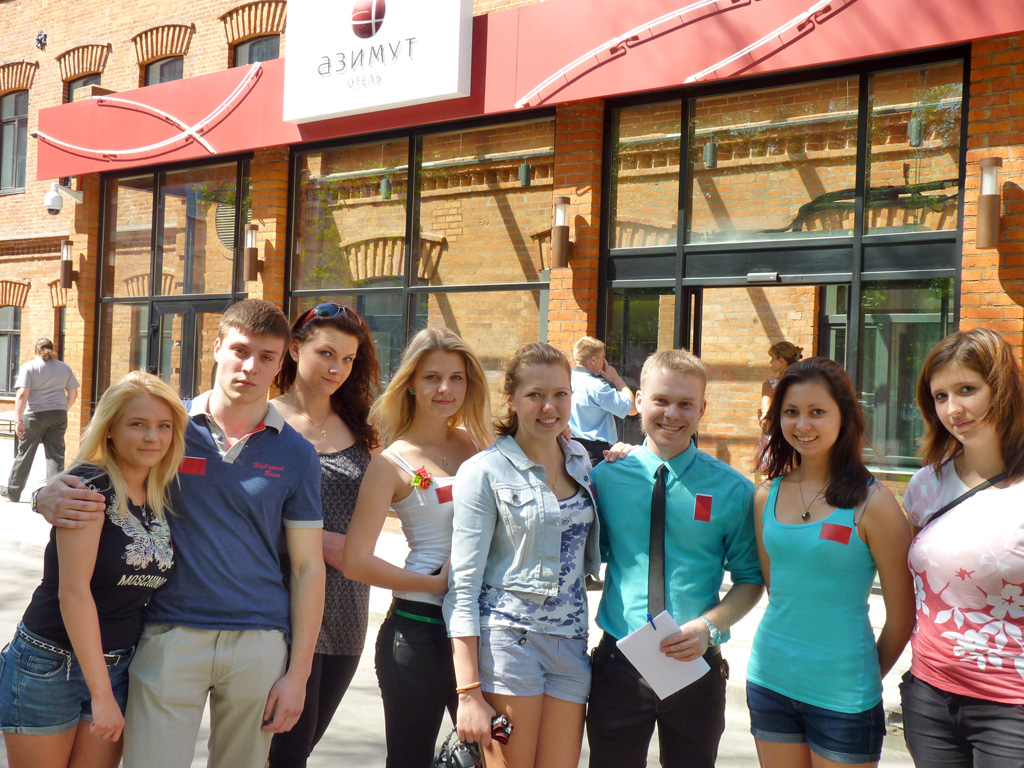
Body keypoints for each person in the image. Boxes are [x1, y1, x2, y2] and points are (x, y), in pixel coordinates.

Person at [34, 299, 327, 768]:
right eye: (240, 350)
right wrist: (45, 494)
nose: (250, 367)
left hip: (258, 640)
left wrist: (299, 674)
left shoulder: (298, 454)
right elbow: (99, 472)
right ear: (217, 347)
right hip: (168, 632)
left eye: (266, 357)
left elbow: (309, 567)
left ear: (281, 363)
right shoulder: (169, 427)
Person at [586, 347, 765, 768]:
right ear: (639, 402)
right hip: (619, 663)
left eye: (686, 404)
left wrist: (709, 627)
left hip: (695, 662)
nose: (672, 414)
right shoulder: (604, 478)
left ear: (702, 409)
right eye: (661, 400)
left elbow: (751, 578)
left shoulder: (733, 490)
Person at [0, 371, 188, 768]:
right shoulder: (87, 489)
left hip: (119, 664)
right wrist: (102, 696)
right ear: (110, 430)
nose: (152, 437)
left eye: (163, 426)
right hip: (50, 663)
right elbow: (74, 593)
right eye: (137, 424)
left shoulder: (160, 492)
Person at [747, 357, 915, 768]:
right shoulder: (766, 495)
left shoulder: (875, 504)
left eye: (817, 411)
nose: (802, 424)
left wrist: (860, 676)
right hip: (769, 681)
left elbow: (902, 617)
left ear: (844, 415)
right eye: (791, 412)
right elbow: (778, 590)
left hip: (844, 695)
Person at [445, 342, 601, 768]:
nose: (549, 407)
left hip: (571, 646)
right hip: (510, 645)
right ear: (512, 398)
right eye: (535, 395)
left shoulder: (581, 461)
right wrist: (468, 692)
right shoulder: (484, 471)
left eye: (560, 394)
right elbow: (463, 586)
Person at [343, 327, 493, 768]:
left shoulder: (480, 446)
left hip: (482, 627)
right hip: (418, 631)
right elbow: (355, 561)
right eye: (432, 377)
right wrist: (432, 582)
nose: (445, 389)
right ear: (410, 383)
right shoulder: (391, 463)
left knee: (493, 756)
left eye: (456, 378)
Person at [899, 328, 1024, 767]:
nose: (953, 409)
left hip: (1012, 707)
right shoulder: (925, 484)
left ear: (1002, 388)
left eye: (967, 390)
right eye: (940, 396)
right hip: (929, 697)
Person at [267, 303, 381, 768]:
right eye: (326, 354)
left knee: (303, 746)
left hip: (347, 609)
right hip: (280, 604)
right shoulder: (263, 419)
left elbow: (410, 478)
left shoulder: (362, 426)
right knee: (283, 749)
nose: (338, 368)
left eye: (348, 359)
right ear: (295, 349)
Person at [1, 338, 79, 503]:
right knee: (56, 455)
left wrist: (18, 420)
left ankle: (13, 491)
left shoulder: (29, 367)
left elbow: (22, 393)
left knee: (25, 453)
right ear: (52, 350)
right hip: (59, 414)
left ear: (35, 351)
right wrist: (63, 409)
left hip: (35, 415)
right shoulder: (64, 367)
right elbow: (73, 393)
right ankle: (56, 494)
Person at [568, 335, 637, 466]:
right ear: (593, 360)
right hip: (593, 453)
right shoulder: (596, 387)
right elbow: (631, 409)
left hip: (567, 448)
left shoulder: (564, 381)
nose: (605, 362)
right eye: (602, 358)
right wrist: (616, 378)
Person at [754, 341, 802, 483]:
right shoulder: (804, 384)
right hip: (798, 443)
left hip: (775, 444)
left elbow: (767, 421)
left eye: (773, 358)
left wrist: (761, 417)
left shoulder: (771, 385)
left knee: (768, 487)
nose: (771, 362)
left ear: (782, 360)